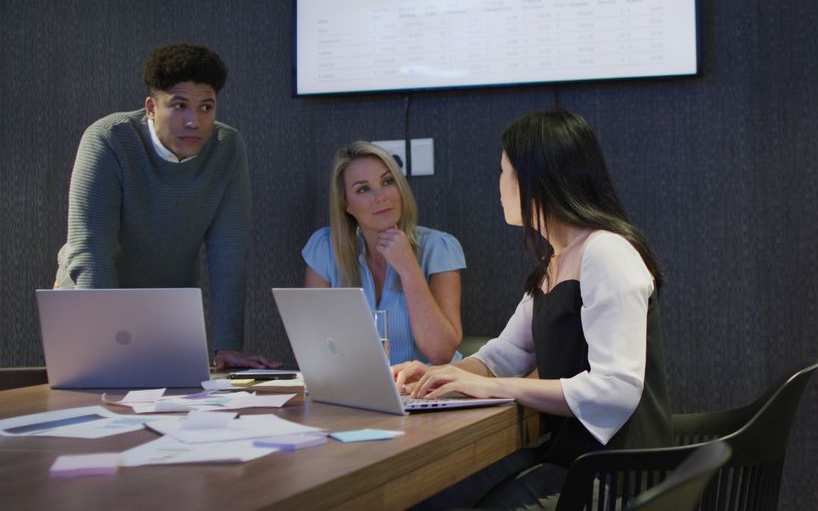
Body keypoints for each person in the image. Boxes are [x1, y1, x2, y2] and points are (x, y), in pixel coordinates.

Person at [395, 108, 672, 509]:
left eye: (504, 172)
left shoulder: (606, 252)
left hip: (614, 475)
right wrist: (438, 374)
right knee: (431, 497)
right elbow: (504, 356)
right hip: (570, 457)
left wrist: (493, 387)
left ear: (536, 178)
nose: (499, 185)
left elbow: (616, 389)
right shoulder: (555, 261)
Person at [55, 42, 277, 370]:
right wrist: (108, 339)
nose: (194, 121)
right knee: (97, 408)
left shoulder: (226, 147)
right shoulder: (108, 139)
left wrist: (227, 346)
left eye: (206, 107)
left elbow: (228, 253)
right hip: (92, 303)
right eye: (180, 105)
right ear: (151, 107)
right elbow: (90, 252)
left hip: (166, 311)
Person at [302, 141, 465, 365]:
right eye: (363, 189)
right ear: (346, 204)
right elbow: (316, 349)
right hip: (360, 390)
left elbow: (440, 352)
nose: (381, 198)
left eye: (388, 182)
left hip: (430, 391)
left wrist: (409, 269)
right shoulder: (325, 249)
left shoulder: (439, 248)